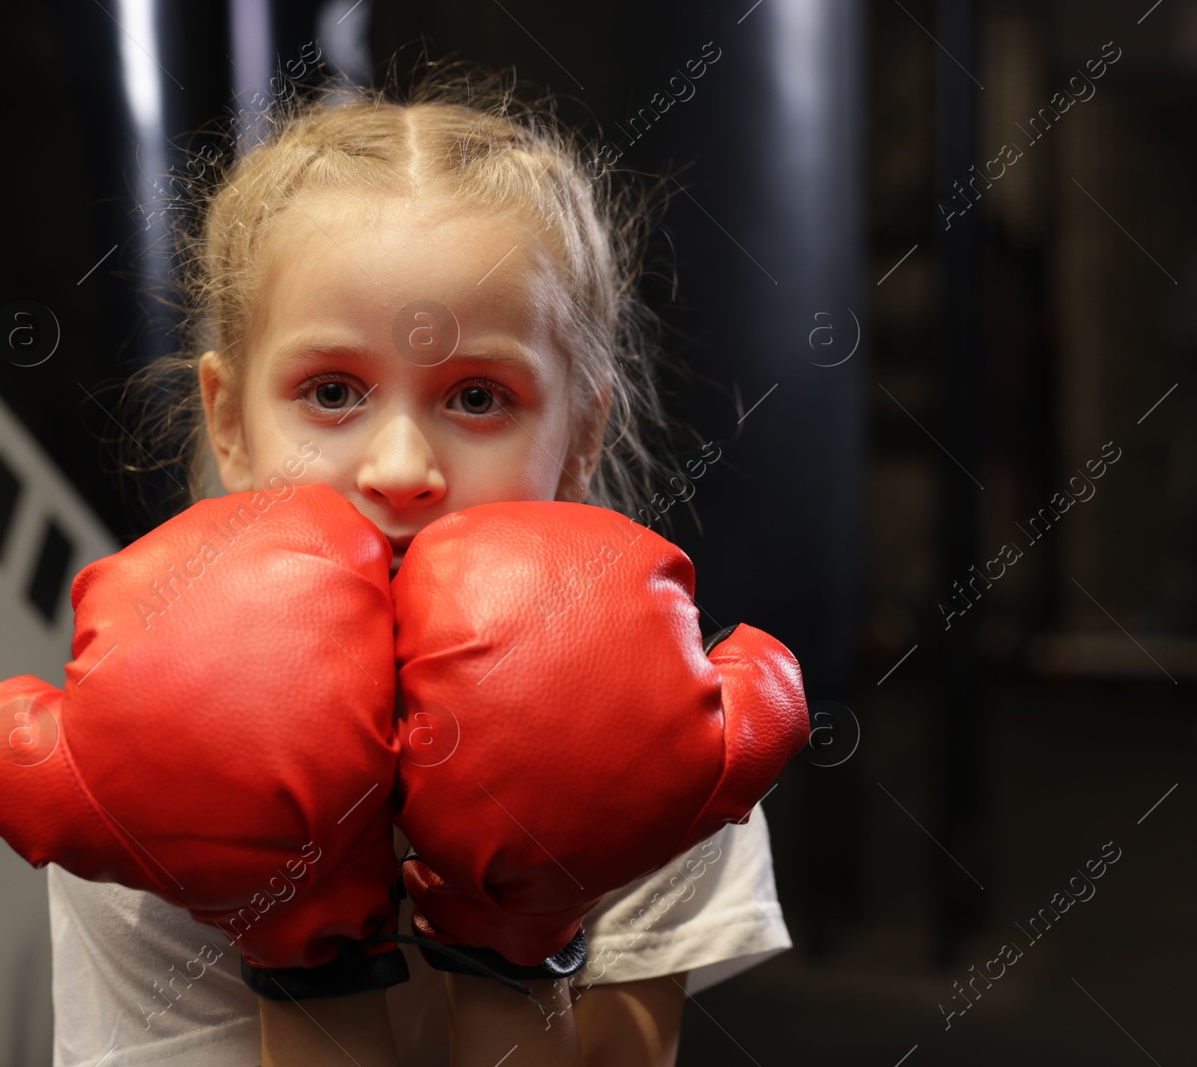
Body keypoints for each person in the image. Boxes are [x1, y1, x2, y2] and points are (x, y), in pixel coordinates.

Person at [43, 73, 798, 1066]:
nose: (401, 469)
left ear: (580, 436)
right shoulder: (145, 739)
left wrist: (512, 939)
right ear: (229, 419)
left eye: (478, 395)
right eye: (331, 390)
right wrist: (301, 937)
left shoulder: (661, 732)